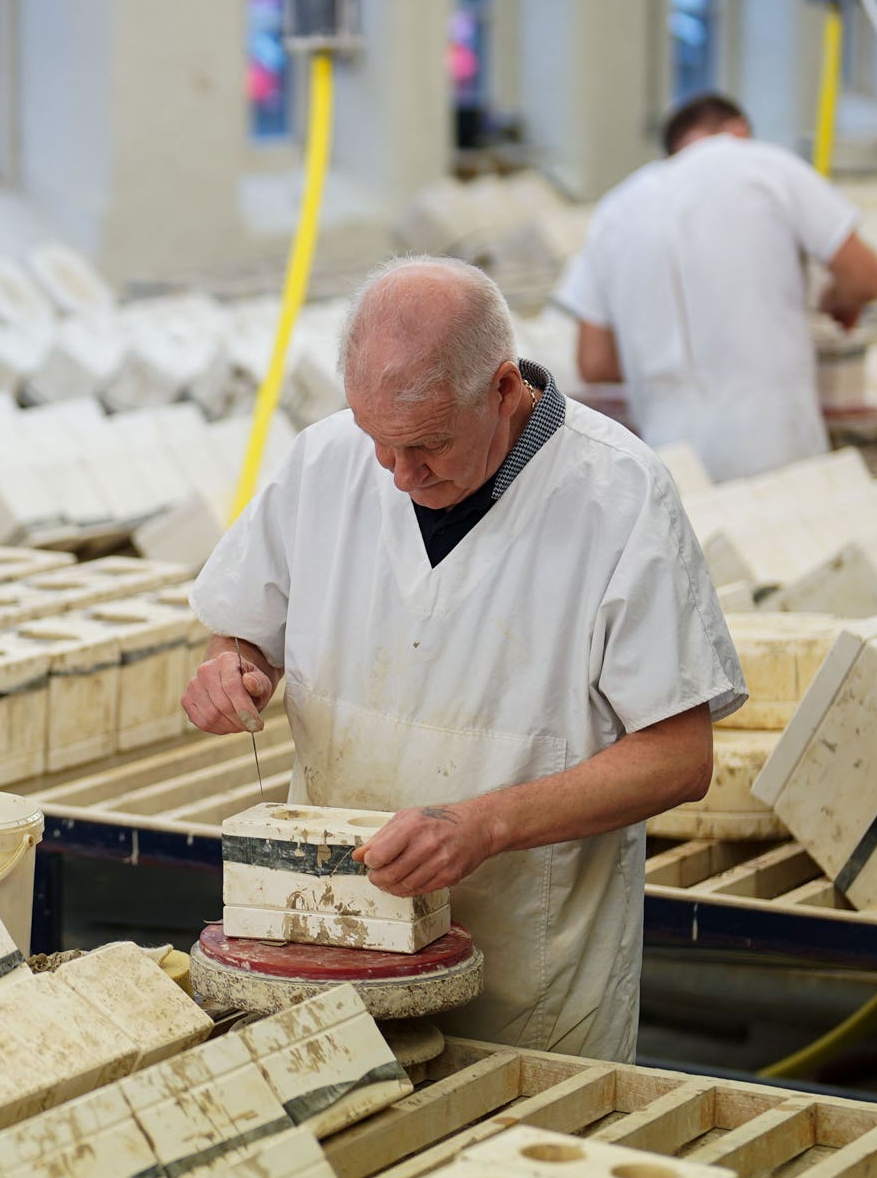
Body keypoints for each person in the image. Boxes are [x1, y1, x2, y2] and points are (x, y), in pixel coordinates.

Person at [182, 257, 744, 1060]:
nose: (403, 475)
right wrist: (232, 668)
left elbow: (679, 758)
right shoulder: (326, 459)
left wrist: (482, 825)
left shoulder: (617, 496)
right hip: (332, 944)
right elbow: (240, 627)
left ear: (505, 390)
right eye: (380, 443)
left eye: (430, 445)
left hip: (531, 978)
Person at [559, 92, 877, 482]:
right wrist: (836, 302)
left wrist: (661, 355)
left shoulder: (615, 209)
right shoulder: (763, 165)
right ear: (739, 130)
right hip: (776, 446)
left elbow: (593, 362)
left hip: (670, 459)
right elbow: (867, 276)